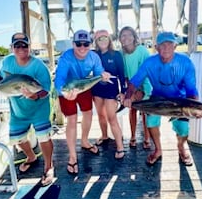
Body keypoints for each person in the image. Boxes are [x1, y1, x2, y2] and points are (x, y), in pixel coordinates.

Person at [0, 32, 54, 186]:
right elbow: (2, 77)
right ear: (12, 48)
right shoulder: (8, 61)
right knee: (17, 139)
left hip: (39, 110)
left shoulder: (39, 66)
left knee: (43, 137)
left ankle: (49, 166)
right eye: (17, 45)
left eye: (24, 45)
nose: (21, 48)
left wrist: (33, 96)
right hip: (18, 110)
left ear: (29, 47)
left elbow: (45, 90)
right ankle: (31, 157)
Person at [123, 31, 201, 166]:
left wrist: (196, 108)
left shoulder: (185, 63)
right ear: (156, 47)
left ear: (175, 46)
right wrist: (128, 96)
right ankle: (158, 150)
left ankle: (181, 147)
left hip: (179, 100)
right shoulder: (149, 62)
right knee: (151, 122)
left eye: (169, 44)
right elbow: (134, 82)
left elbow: (191, 90)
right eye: (162, 45)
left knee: (183, 129)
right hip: (157, 97)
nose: (166, 48)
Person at [54, 29, 112, 175]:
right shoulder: (65, 57)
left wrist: (103, 76)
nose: (82, 47)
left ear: (90, 45)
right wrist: (64, 93)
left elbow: (99, 72)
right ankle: (73, 156)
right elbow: (59, 79)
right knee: (72, 120)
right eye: (78, 44)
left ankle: (85, 141)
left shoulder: (94, 57)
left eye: (86, 44)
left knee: (88, 113)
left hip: (84, 86)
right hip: (67, 88)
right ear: (73, 44)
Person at [91, 30, 126, 159]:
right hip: (97, 90)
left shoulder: (116, 55)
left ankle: (120, 147)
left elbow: (121, 75)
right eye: (99, 39)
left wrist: (123, 92)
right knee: (101, 115)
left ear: (109, 39)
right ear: (96, 41)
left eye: (105, 37)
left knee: (112, 118)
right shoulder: (93, 55)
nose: (103, 40)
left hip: (111, 91)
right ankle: (104, 135)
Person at [119, 26, 152, 149]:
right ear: (120, 39)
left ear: (134, 37)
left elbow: (145, 72)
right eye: (123, 35)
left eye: (129, 35)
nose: (126, 37)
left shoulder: (142, 50)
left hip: (145, 85)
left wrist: (140, 90)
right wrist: (130, 90)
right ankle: (133, 136)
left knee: (145, 112)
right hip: (131, 87)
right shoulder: (121, 54)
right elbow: (125, 74)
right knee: (132, 109)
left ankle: (147, 137)